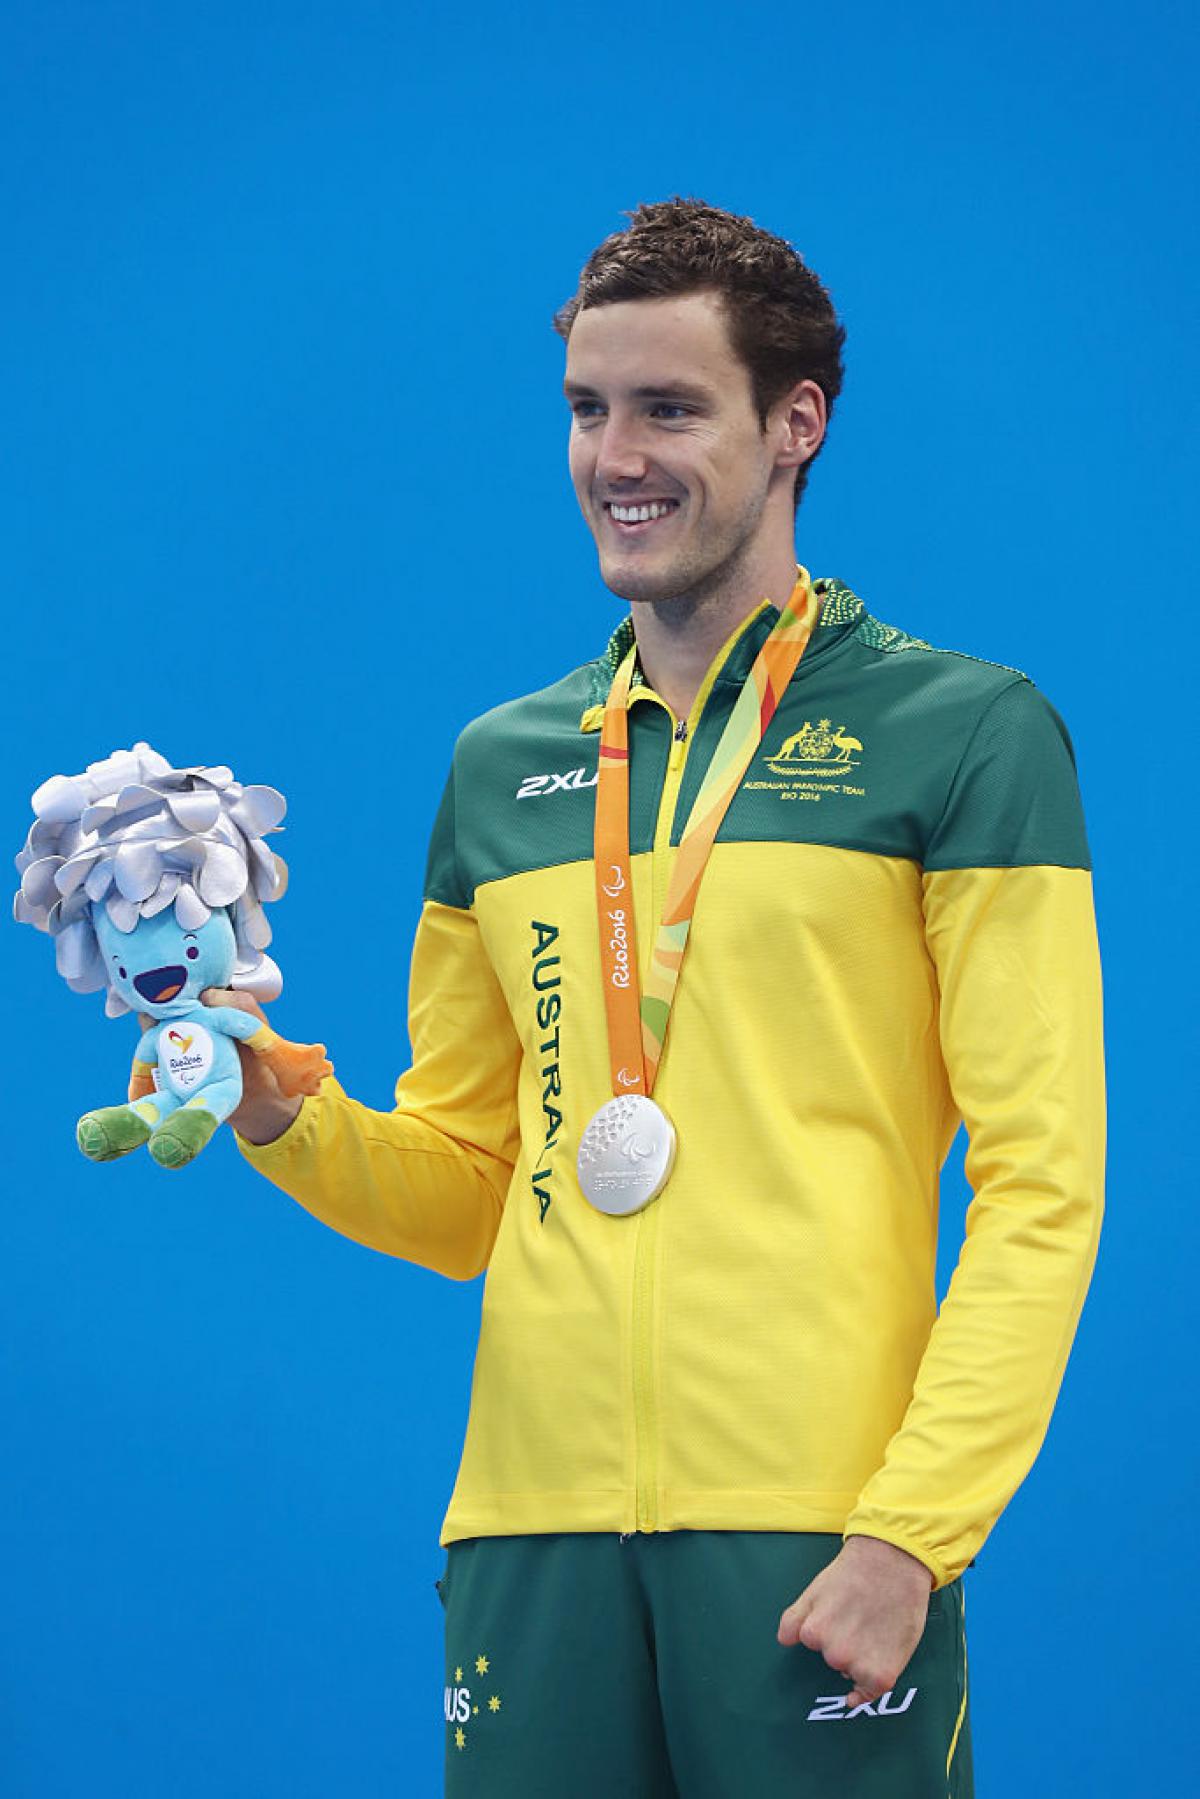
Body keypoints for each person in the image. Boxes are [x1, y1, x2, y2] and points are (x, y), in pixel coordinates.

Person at [217, 199, 1105, 1797]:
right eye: (587, 408)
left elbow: (1045, 1187)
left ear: (796, 425)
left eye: (669, 408)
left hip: (820, 1529)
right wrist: (281, 1106)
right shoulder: (502, 767)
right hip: (528, 1530)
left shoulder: (966, 735)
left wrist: (913, 1531)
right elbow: (473, 1191)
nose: (613, 456)